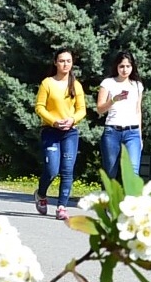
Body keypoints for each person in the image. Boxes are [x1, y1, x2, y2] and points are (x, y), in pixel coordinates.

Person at [33, 48, 86, 216]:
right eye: (62, 61)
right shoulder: (47, 83)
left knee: (67, 169)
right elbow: (39, 107)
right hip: (51, 131)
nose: (65, 64)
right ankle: (41, 193)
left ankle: (62, 207)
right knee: (52, 169)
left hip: (70, 132)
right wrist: (54, 121)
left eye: (68, 61)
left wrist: (72, 120)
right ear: (55, 62)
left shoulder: (75, 85)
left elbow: (82, 109)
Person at [97, 52, 144, 185]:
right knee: (110, 173)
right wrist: (113, 100)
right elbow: (100, 109)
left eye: (128, 66)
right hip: (112, 131)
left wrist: (139, 136)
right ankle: (108, 203)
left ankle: (130, 205)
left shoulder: (137, 85)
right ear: (116, 67)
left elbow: (138, 110)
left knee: (133, 172)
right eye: (121, 66)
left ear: (132, 67)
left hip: (132, 132)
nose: (125, 70)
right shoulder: (108, 83)